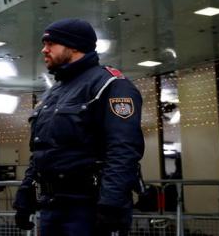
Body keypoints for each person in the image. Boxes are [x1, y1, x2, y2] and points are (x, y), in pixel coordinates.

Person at [13, 18, 144, 236]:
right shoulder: (53, 93)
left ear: (73, 46)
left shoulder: (111, 85)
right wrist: (26, 193)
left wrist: (111, 203)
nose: (44, 50)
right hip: (52, 207)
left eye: (50, 44)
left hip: (90, 208)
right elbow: (42, 150)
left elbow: (123, 149)